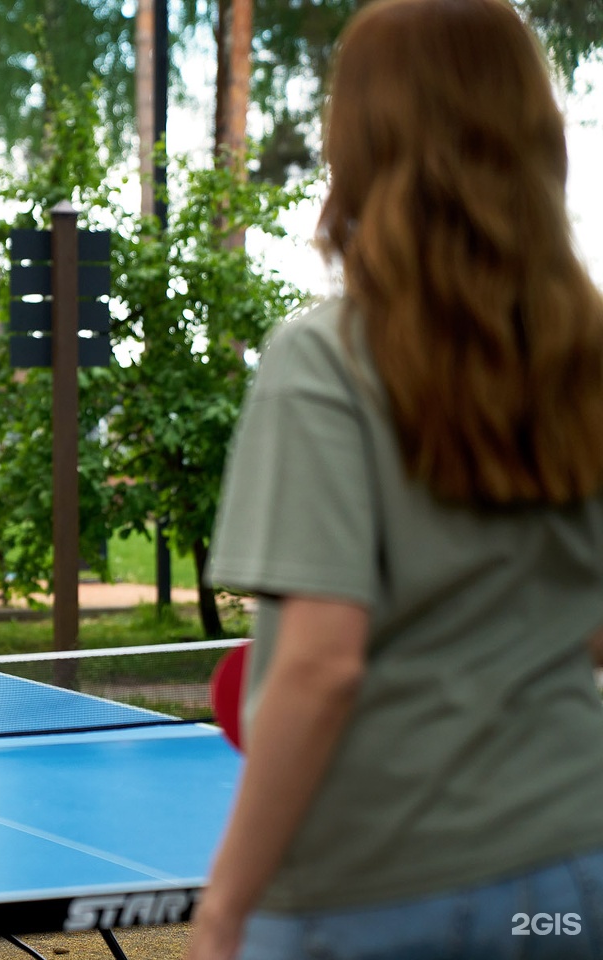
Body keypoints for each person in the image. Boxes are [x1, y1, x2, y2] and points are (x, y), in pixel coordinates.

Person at [189, 1, 603, 957]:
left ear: (361, 142)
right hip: (574, 869)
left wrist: (222, 914)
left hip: (375, 887)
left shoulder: (323, 358)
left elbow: (322, 664)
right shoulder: (581, 353)